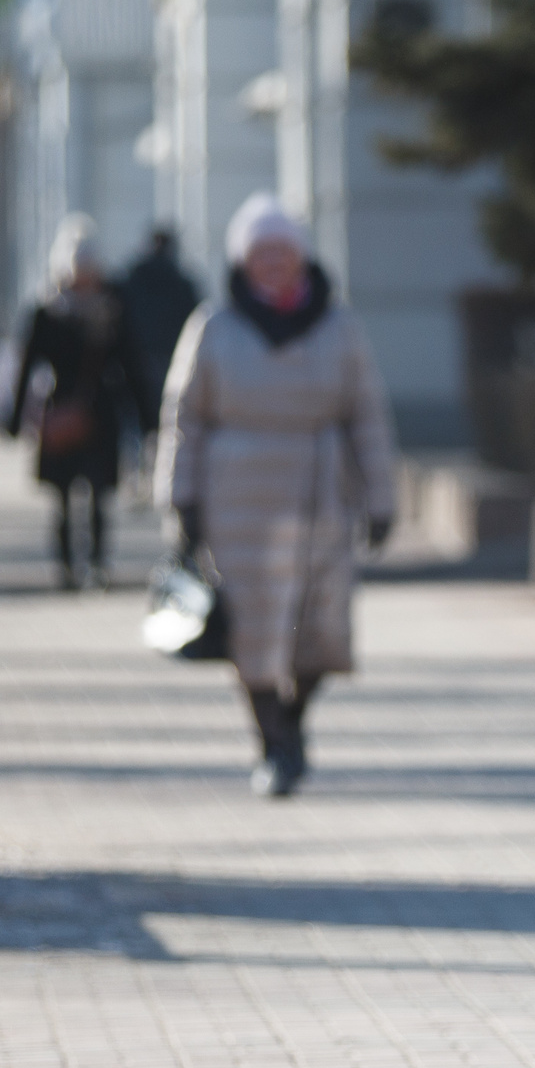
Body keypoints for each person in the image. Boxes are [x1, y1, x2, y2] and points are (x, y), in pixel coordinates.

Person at [156, 191, 397, 799]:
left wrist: (381, 498)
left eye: (282, 251)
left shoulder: (340, 326)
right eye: (260, 252)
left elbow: (367, 414)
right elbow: (184, 417)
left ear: (301, 257)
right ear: (242, 259)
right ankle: (273, 744)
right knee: (253, 632)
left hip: (320, 495)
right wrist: (180, 500)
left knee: (321, 631)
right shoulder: (213, 326)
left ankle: (292, 721)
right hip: (237, 499)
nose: (272, 263)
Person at [3, 217, 135, 589]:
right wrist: (14, 419)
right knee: (61, 499)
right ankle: (64, 566)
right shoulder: (46, 311)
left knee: (99, 496)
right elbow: (28, 365)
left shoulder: (113, 309)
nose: (84, 276)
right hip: (61, 411)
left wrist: (146, 415)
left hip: (101, 411)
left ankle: (96, 563)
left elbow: (131, 363)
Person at [119, 224, 202, 447]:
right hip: (173, 358)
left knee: (138, 422)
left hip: (137, 361)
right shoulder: (184, 282)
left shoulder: (131, 279)